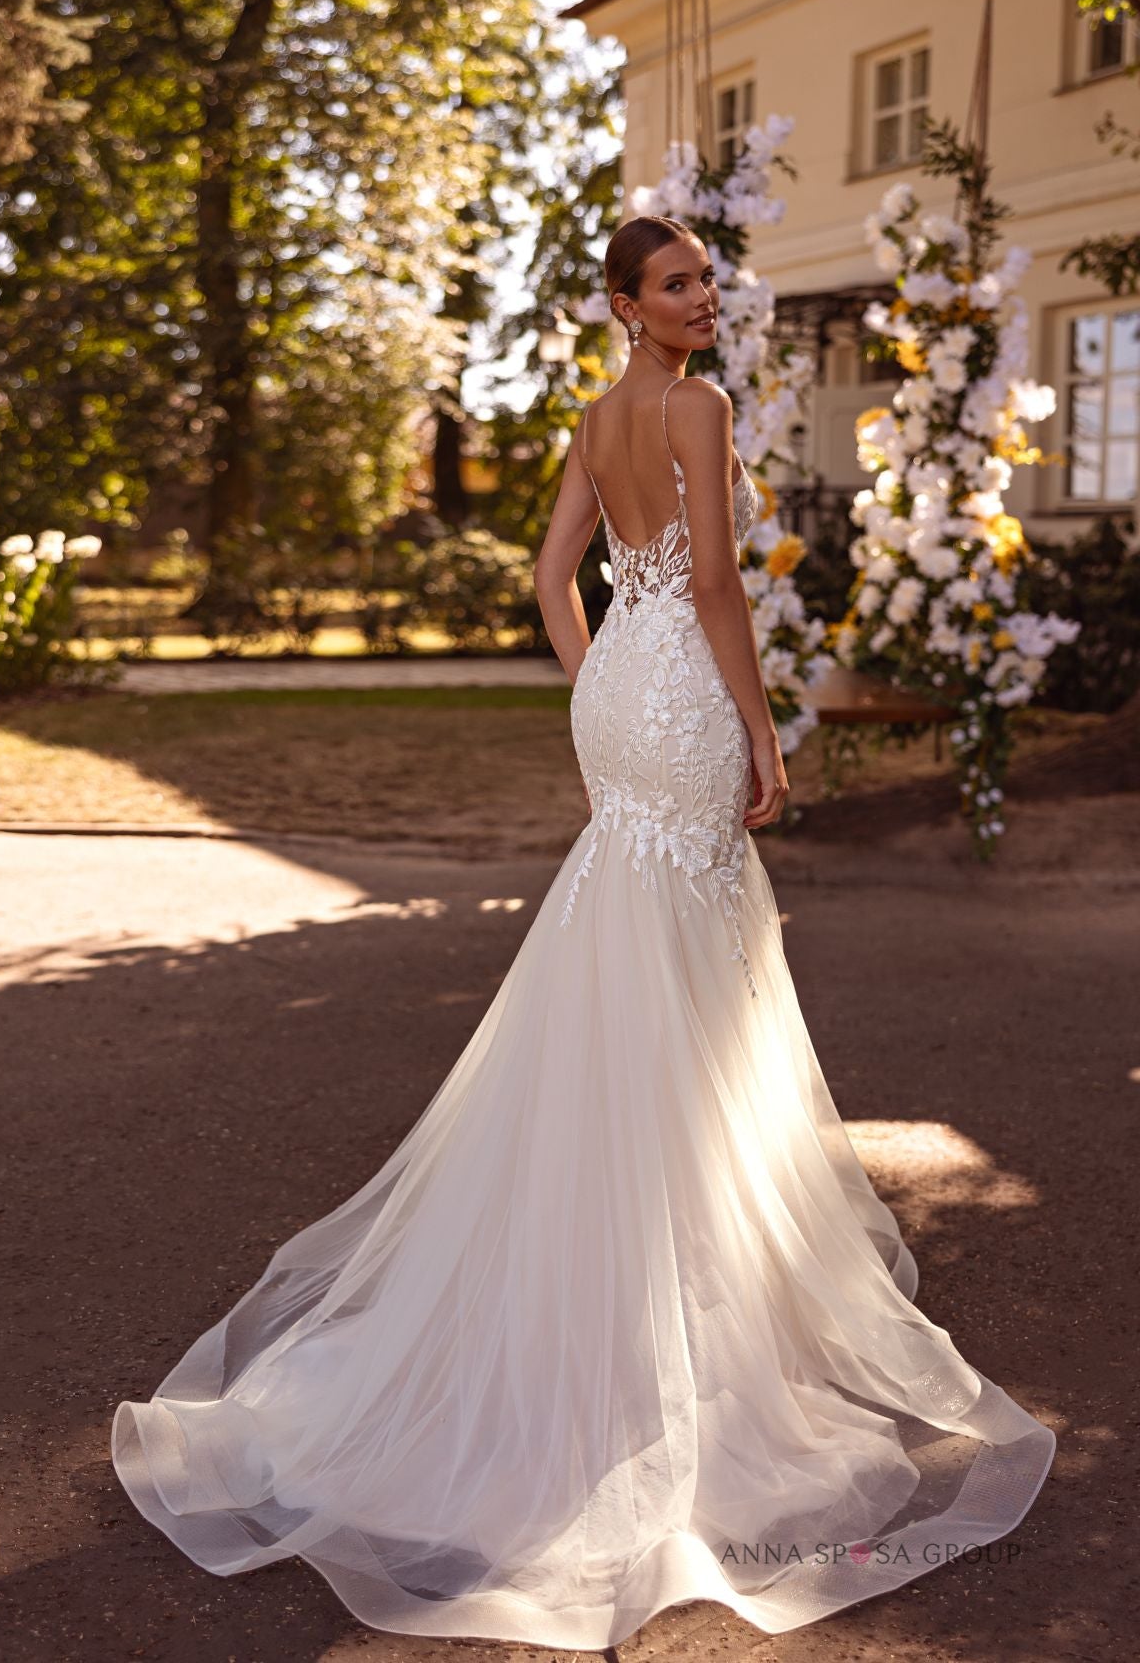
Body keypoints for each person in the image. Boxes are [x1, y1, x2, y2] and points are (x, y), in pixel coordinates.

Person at [111, 215, 1055, 1649]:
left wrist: (600, 679)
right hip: (679, 696)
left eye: (706, 278)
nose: (703, 297)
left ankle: (626, 1272)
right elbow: (720, 586)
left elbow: (556, 577)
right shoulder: (696, 406)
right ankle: (670, 1298)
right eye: (676, 283)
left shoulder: (597, 419)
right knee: (693, 974)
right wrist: (760, 731)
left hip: (619, 694)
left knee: (632, 951)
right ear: (627, 304)